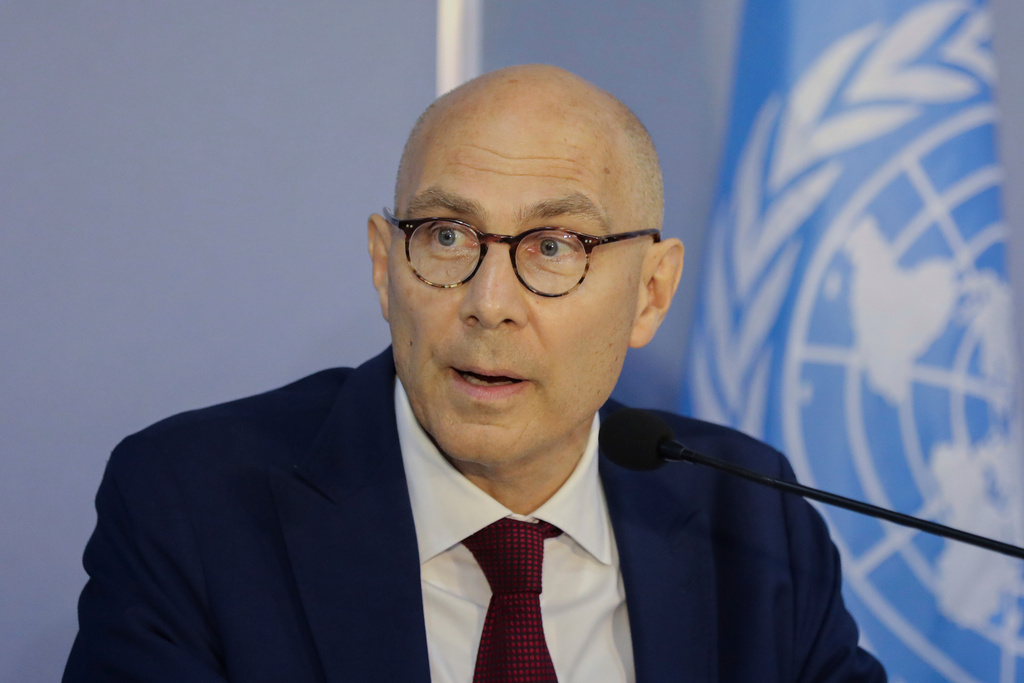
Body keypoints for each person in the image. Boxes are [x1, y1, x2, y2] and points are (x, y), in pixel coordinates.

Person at [63, 64, 886, 682]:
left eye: (556, 246)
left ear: (652, 292)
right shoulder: (192, 507)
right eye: (448, 236)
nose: (489, 303)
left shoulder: (750, 514)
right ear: (387, 269)